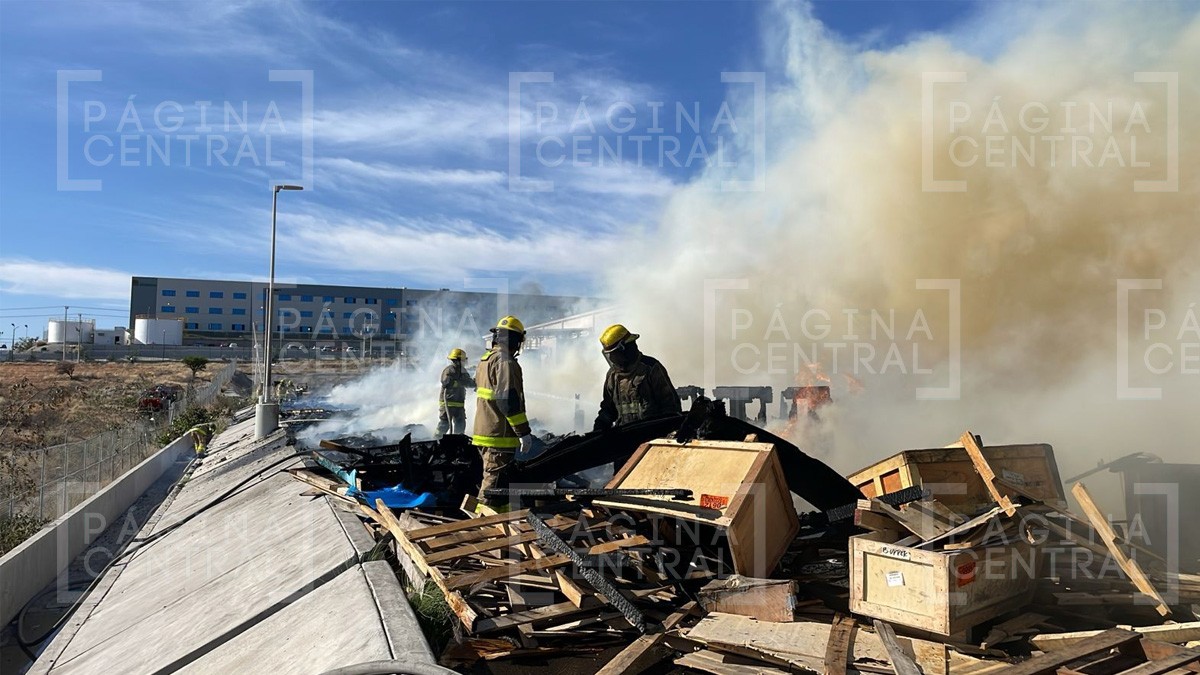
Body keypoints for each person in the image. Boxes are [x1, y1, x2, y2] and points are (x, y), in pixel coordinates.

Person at [472, 316, 532, 507]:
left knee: (501, 487)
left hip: (485, 431)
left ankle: (502, 524)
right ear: (515, 340)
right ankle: (483, 526)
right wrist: (523, 432)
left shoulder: (485, 360)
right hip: (499, 435)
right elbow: (508, 401)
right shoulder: (505, 362)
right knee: (492, 488)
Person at [594, 324, 681, 432]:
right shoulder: (612, 376)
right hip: (624, 439)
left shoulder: (651, 368)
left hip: (652, 437)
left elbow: (671, 407)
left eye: (614, 353)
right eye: (609, 354)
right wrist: (599, 426)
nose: (611, 358)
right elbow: (608, 410)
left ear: (624, 349)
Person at [436, 348, 475, 436]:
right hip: (448, 402)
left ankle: (457, 442)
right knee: (444, 424)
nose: (464, 362)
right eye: (463, 360)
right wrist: (460, 383)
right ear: (457, 360)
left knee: (460, 424)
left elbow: (468, 382)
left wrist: (476, 382)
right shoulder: (449, 370)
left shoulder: (463, 371)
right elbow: (446, 382)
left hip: (459, 403)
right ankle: (436, 440)